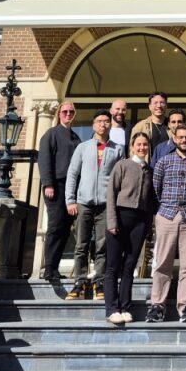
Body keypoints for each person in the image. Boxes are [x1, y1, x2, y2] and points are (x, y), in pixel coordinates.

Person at [149, 124, 186, 323]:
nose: (184, 140)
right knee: (162, 263)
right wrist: (166, 209)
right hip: (167, 214)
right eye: (181, 137)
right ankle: (157, 306)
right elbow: (156, 189)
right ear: (174, 139)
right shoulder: (164, 162)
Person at [64, 109, 124, 299]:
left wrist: (117, 204)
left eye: (106, 121)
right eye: (99, 121)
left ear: (110, 125)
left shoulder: (118, 149)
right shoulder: (82, 148)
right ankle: (80, 282)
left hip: (106, 204)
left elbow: (121, 179)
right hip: (83, 203)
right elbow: (72, 174)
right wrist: (70, 200)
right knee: (81, 244)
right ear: (93, 125)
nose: (103, 124)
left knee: (102, 245)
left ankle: (99, 282)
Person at [104, 131, 156, 324]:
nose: (142, 147)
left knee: (129, 265)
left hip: (140, 221)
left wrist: (148, 226)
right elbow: (111, 194)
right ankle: (112, 308)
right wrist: (112, 222)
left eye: (145, 145)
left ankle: (125, 306)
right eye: (139, 144)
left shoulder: (149, 170)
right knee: (113, 266)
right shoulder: (122, 165)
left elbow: (150, 202)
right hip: (120, 216)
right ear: (132, 146)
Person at [37, 99, 83, 282]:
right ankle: (49, 268)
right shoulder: (51, 134)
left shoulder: (76, 137)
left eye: (71, 112)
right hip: (56, 185)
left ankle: (54, 268)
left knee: (65, 228)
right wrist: (48, 183)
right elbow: (44, 159)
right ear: (59, 114)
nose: (68, 115)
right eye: (65, 112)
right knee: (55, 227)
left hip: (72, 189)